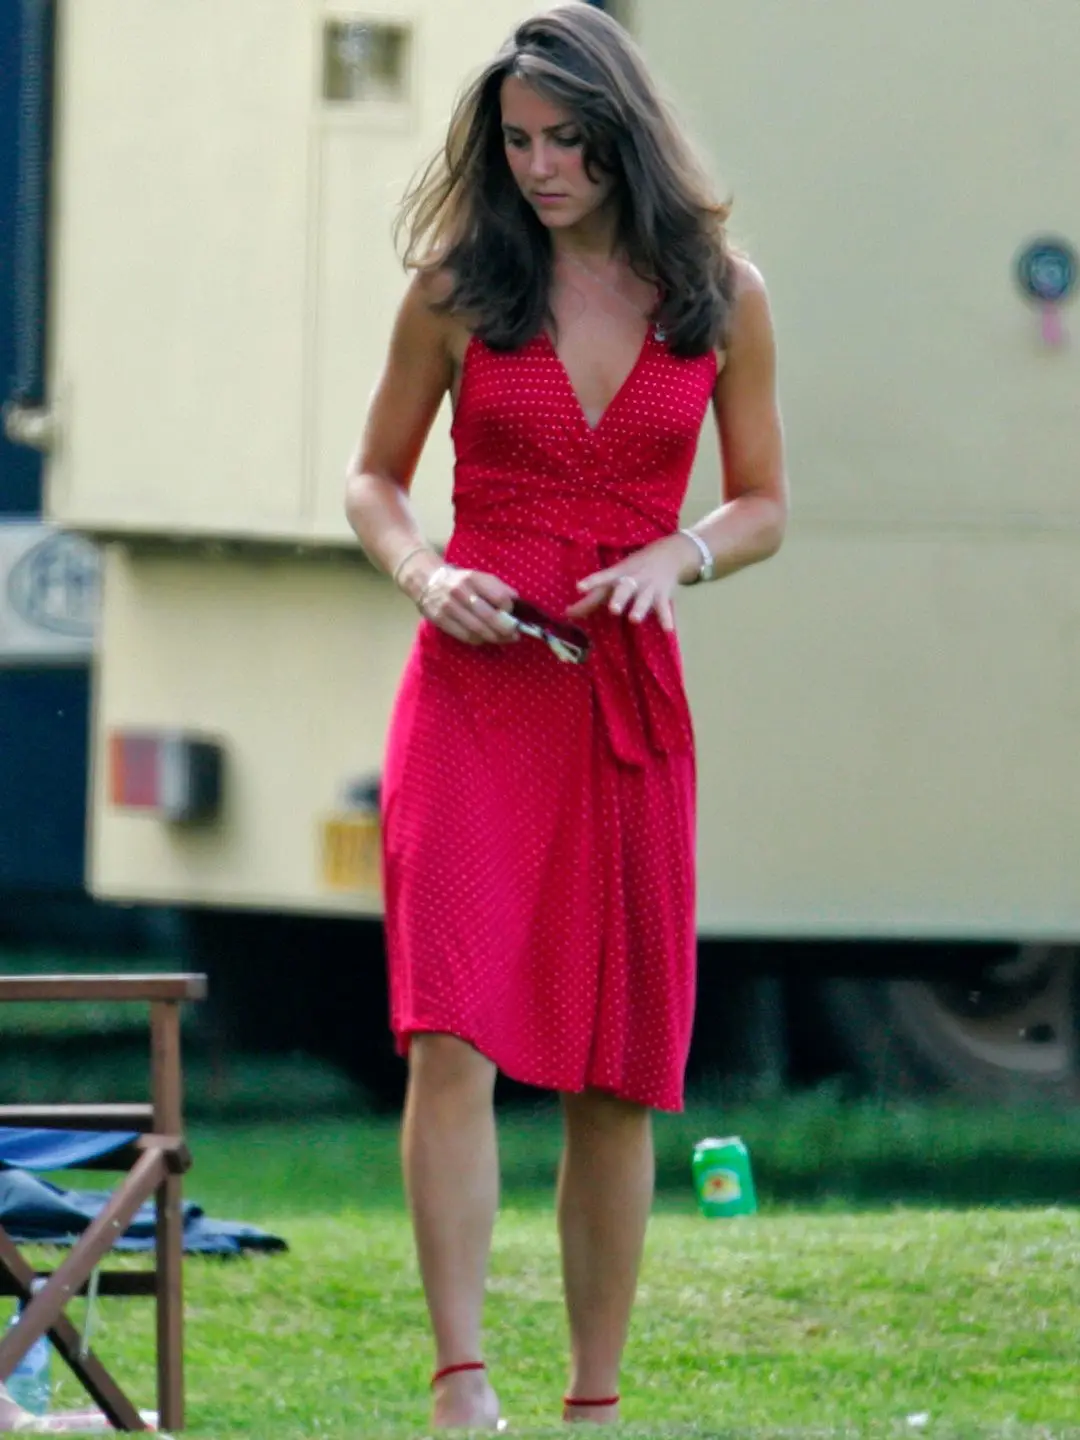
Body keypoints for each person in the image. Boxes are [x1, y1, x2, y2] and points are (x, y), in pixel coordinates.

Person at [344, 3, 787, 1428]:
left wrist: (685, 550)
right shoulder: (461, 289)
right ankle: (463, 1380)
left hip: (627, 700)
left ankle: (594, 1402)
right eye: (518, 143)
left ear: (624, 135)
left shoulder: (719, 293)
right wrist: (425, 570)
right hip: (479, 686)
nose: (539, 169)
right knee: (450, 1031)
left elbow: (766, 500)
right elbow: (374, 479)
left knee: (619, 1065)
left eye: (566, 142)